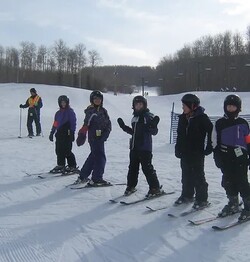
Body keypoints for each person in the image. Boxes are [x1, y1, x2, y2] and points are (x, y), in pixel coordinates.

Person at [213, 94, 250, 221]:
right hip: (226, 158)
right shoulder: (219, 123)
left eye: (233, 107)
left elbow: (248, 140)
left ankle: (248, 207)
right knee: (228, 182)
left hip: (241, 159)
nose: (230, 109)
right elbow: (215, 141)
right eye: (228, 106)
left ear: (238, 108)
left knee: (242, 182)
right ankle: (233, 204)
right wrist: (216, 155)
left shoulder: (243, 123)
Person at [117, 95, 162, 197]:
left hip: (145, 148)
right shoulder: (134, 118)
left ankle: (155, 188)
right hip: (134, 148)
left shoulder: (147, 116)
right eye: (136, 104)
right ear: (133, 106)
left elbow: (154, 132)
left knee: (147, 168)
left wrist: (153, 126)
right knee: (132, 168)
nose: (138, 106)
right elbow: (134, 132)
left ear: (144, 105)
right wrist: (124, 127)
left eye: (140, 104)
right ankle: (131, 186)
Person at [175, 94, 213, 209]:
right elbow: (180, 135)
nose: (183, 108)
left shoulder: (202, 118)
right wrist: (178, 147)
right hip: (185, 152)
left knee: (198, 176)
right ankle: (187, 195)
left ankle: (202, 199)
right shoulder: (182, 118)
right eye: (182, 105)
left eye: (184, 105)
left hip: (197, 152)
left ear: (193, 106)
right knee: (186, 174)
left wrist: (209, 145)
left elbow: (211, 131)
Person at [74, 90, 111, 185]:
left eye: (99, 99)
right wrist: (81, 135)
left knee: (93, 156)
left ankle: (83, 175)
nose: (97, 100)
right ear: (92, 100)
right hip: (94, 138)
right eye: (95, 99)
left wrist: (106, 134)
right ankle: (96, 178)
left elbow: (108, 123)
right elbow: (86, 124)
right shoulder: (91, 111)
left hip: (101, 138)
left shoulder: (103, 111)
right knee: (100, 158)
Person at [49, 95, 77, 174]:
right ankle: (61, 164)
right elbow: (55, 123)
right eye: (61, 103)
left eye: (64, 102)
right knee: (59, 150)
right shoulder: (58, 113)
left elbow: (73, 123)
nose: (63, 104)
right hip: (59, 133)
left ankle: (72, 165)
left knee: (67, 150)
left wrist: (72, 132)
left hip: (67, 133)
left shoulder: (70, 112)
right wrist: (52, 132)